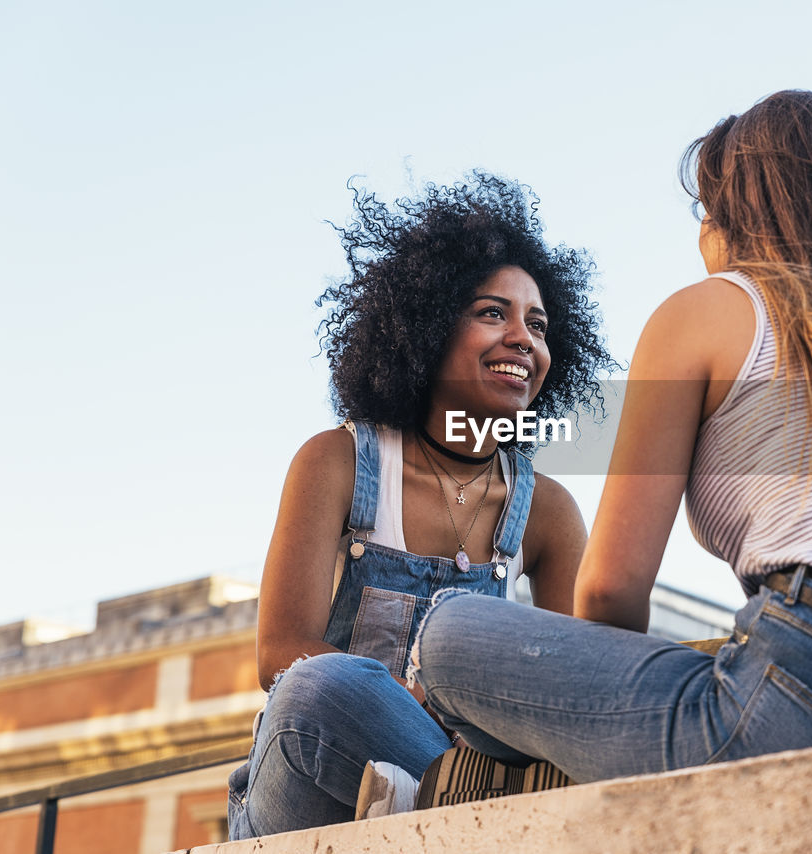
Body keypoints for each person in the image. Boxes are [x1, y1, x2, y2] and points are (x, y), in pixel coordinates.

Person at [410, 91, 812, 784]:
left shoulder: (710, 310)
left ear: (735, 212)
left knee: (449, 633)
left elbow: (609, 592)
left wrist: (593, 710)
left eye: (703, 210)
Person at [226, 172, 615, 838]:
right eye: (493, 313)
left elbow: (567, 692)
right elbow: (280, 651)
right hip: (316, 771)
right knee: (319, 686)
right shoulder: (337, 462)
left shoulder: (548, 512)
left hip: (461, 773)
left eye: (539, 324)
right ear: (428, 328)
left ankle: (429, 800)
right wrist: (418, 711)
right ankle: (440, 797)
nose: (524, 338)